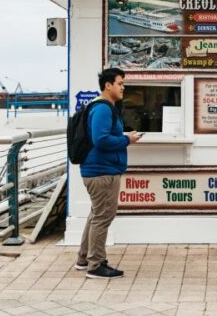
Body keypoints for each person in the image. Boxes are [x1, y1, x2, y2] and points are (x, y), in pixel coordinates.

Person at [75, 67, 143, 278]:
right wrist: (127, 140)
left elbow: (102, 136)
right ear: (108, 85)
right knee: (104, 216)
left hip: (98, 170)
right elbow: (101, 139)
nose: (123, 88)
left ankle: (84, 259)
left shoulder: (102, 107)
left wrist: (123, 136)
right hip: (102, 172)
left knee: (97, 214)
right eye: (120, 84)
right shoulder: (103, 108)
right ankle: (96, 265)